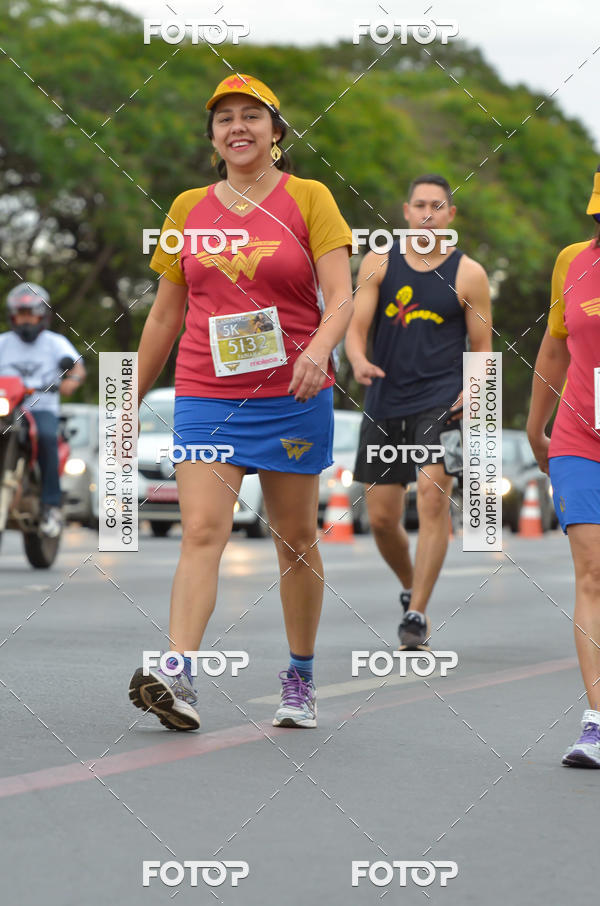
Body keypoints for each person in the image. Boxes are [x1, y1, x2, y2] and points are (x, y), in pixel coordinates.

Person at [128, 74, 353, 731]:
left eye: (252, 115)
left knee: (296, 540)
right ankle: (177, 672)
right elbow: (165, 316)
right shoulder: (186, 209)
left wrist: (318, 350)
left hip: (292, 392)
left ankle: (300, 677)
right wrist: (127, 397)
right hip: (206, 391)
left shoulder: (309, 199)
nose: (238, 127)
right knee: (201, 531)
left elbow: (341, 293)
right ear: (214, 138)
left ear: (276, 132)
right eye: (224, 118)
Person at [346, 175, 492, 649]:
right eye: (419, 205)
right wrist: (357, 359)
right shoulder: (379, 262)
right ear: (406, 213)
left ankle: (416, 614)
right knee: (384, 518)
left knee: (432, 501)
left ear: (450, 216)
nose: (428, 213)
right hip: (386, 399)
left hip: (440, 402)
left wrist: (473, 391)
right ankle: (413, 585)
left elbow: (482, 347)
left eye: (438, 206)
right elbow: (355, 325)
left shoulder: (469, 273)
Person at [527, 165, 600, 768]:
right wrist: (534, 421)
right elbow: (555, 344)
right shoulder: (573, 262)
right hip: (581, 438)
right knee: (592, 572)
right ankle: (596, 720)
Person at [0, 283, 85, 536]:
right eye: (21, 314)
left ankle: (50, 506)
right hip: (6, 409)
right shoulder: (3, 342)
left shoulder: (56, 343)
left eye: (31, 314)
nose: (25, 319)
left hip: (41, 408)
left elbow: (77, 367)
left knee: (48, 437)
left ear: (42, 315)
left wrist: (73, 380)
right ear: (12, 316)